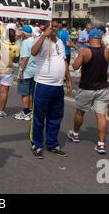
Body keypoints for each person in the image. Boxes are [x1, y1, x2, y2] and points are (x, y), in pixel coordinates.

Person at [30, 21, 73, 159]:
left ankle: (52, 143)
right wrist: (43, 36)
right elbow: (33, 52)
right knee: (38, 117)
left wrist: (69, 80)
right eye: (52, 26)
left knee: (55, 117)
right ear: (47, 27)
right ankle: (36, 144)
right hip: (42, 84)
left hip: (58, 86)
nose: (54, 29)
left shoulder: (60, 41)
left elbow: (64, 61)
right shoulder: (41, 39)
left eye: (56, 27)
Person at [68, 29, 109, 154]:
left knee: (80, 112)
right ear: (100, 38)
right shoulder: (107, 51)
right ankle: (101, 144)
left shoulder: (85, 51)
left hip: (86, 87)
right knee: (101, 116)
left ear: (89, 38)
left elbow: (75, 66)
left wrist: (78, 54)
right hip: (102, 88)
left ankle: (76, 134)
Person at [0, 26, 19, 118]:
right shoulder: (15, 47)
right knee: (4, 92)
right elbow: (16, 60)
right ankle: (1, 112)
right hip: (7, 71)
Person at [14, 25, 36, 121]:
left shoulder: (25, 42)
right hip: (34, 70)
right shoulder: (34, 40)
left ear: (24, 33)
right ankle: (31, 111)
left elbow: (25, 58)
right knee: (31, 92)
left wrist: (21, 70)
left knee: (25, 93)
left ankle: (26, 112)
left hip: (26, 71)